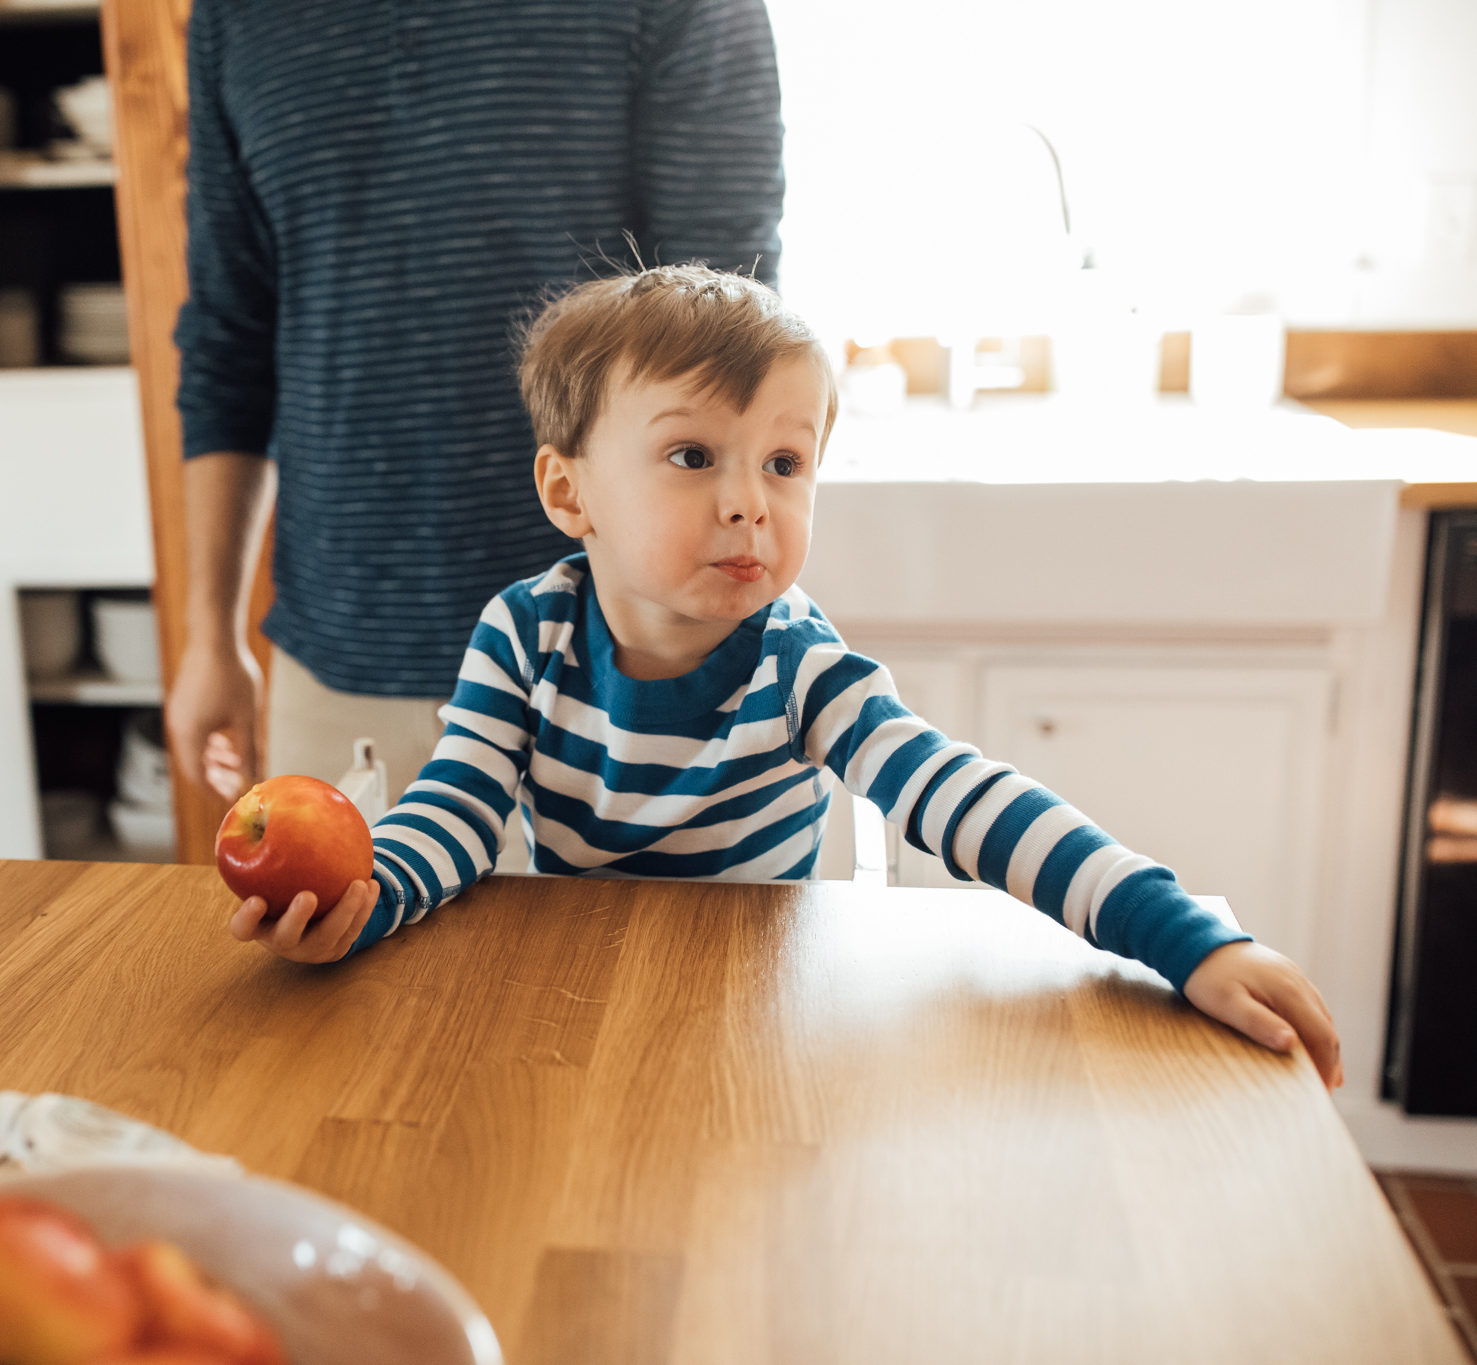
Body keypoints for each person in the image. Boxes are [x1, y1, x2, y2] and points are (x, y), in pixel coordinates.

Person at [224, 264, 1344, 1088]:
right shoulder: (521, 633)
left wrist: (1180, 934)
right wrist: (363, 905)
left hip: (766, 1015)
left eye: (783, 461)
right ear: (570, 496)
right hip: (584, 1000)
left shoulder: (797, 659)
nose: (748, 500)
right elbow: (455, 814)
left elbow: (958, 796)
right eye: (690, 456)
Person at [167, 0, 787, 829]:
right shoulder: (234, 17)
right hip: (335, 662)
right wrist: (212, 635)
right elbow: (228, 336)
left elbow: (727, 331)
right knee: (339, 949)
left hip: (622, 662)